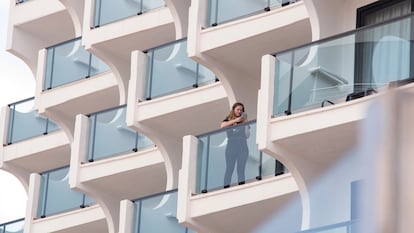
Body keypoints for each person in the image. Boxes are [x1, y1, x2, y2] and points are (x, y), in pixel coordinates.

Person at [220, 102, 250, 188]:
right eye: (238, 109)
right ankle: (226, 187)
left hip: (242, 146)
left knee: (240, 169)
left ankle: (241, 187)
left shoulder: (244, 121)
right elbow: (222, 126)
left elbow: (247, 135)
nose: (239, 111)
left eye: (241, 110)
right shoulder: (229, 119)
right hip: (231, 146)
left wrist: (246, 124)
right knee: (229, 168)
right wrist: (235, 120)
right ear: (234, 110)